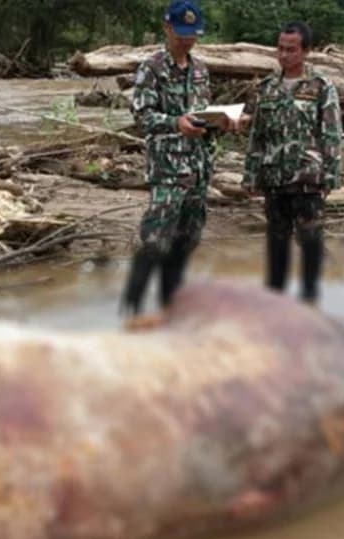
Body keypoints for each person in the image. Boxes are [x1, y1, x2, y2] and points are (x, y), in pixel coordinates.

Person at [120, 0, 227, 317]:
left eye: (192, 34)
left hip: (198, 167)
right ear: (167, 28)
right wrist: (174, 123)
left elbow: (203, 116)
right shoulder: (152, 68)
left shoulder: (200, 70)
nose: (186, 40)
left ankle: (170, 305)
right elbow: (142, 115)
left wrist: (224, 122)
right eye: (181, 33)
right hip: (168, 168)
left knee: (187, 239)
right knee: (156, 239)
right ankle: (132, 309)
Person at [239, 21, 343, 304]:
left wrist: (331, 176)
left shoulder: (321, 86)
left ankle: (309, 299)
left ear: (306, 51)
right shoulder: (267, 88)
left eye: (291, 49)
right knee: (276, 242)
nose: (284, 55)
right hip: (274, 178)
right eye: (281, 49)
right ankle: (275, 300)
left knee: (310, 241)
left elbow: (332, 133)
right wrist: (250, 175)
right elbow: (258, 136)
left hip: (308, 179)